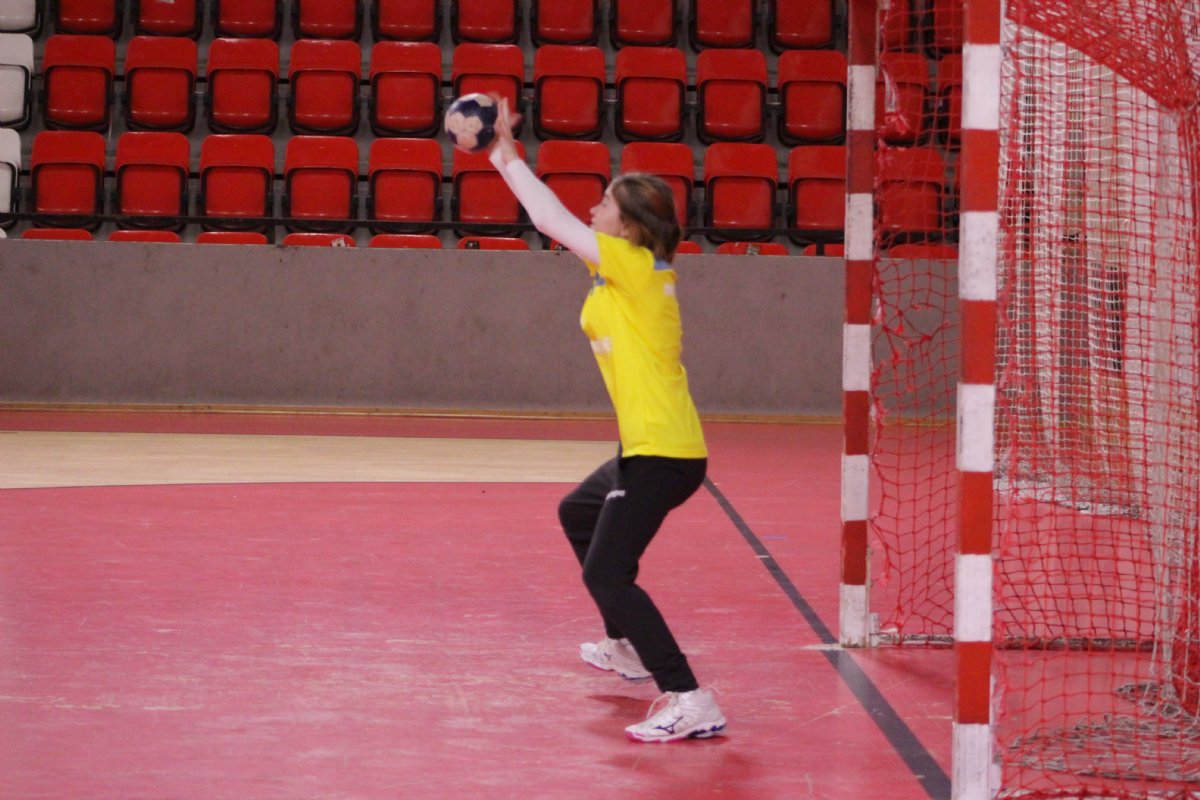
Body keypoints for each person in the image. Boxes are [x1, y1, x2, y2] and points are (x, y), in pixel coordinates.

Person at [486, 98, 726, 743]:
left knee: (606, 573)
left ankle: (690, 697)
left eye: (603, 204)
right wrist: (506, 155)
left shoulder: (636, 267)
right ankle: (625, 648)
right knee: (578, 512)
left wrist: (503, 154)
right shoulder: (620, 269)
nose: (592, 210)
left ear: (631, 226)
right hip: (645, 448)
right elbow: (559, 222)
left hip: (663, 454)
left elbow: (548, 217)